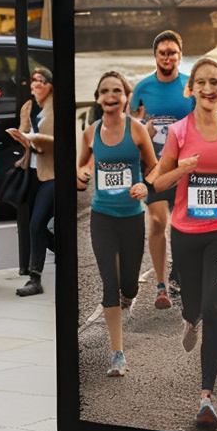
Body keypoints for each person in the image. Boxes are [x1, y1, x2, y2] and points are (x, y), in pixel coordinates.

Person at [146, 58, 217, 430]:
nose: (209, 89)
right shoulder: (178, 131)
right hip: (185, 233)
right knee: (193, 305)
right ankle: (188, 318)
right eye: (202, 83)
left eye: (215, 82)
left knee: (213, 307)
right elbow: (158, 183)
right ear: (191, 89)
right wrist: (183, 169)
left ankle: (206, 396)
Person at [79, 71, 158, 375]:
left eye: (116, 91)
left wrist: (145, 187)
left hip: (131, 218)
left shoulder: (137, 130)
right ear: (99, 98)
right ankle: (117, 354)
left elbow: (153, 167)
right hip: (102, 217)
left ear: (125, 97)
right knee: (109, 288)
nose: (110, 96)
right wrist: (82, 174)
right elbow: (82, 165)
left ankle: (129, 294)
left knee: (129, 284)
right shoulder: (90, 132)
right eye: (104, 91)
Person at [130, 31, 193, 307]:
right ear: (155, 56)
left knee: (182, 226)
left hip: (183, 169)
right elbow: (131, 125)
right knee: (157, 222)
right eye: (163, 52)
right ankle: (161, 286)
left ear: (180, 55)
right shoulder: (143, 87)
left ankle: (178, 273)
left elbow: (203, 120)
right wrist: (144, 129)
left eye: (172, 52)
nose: (168, 57)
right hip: (153, 168)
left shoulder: (190, 85)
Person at [9, 68, 59, 297]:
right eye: (33, 82)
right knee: (33, 225)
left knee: (37, 224)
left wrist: (37, 141)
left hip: (52, 173)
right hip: (32, 172)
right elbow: (25, 135)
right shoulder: (28, 107)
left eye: (40, 81)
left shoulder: (55, 107)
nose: (35, 85)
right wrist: (22, 138)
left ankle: (35, 278)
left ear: (49, 85)